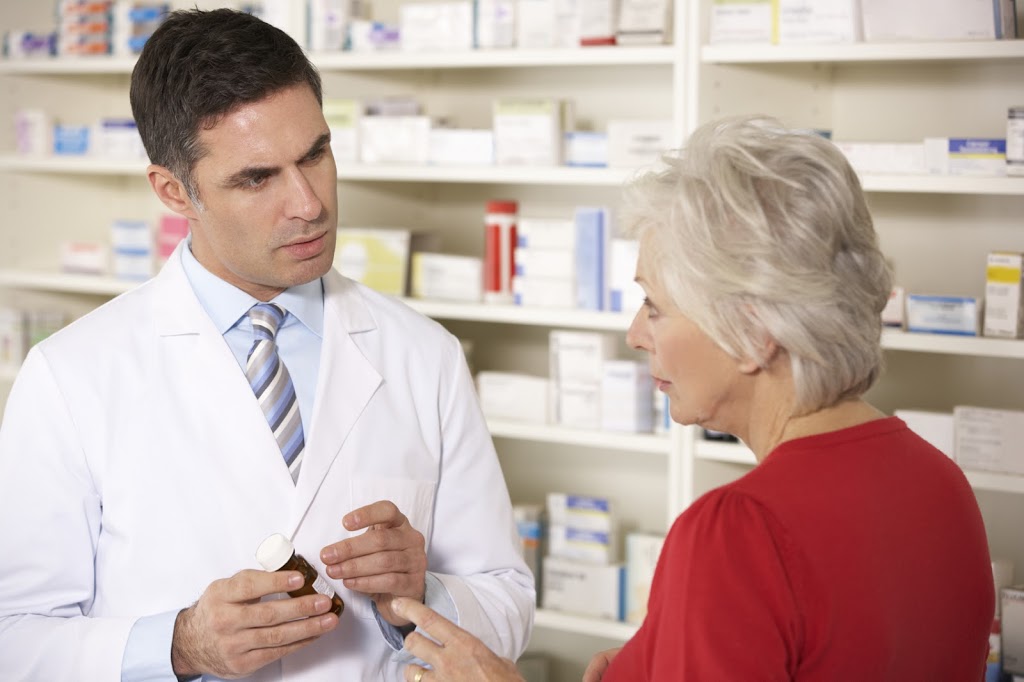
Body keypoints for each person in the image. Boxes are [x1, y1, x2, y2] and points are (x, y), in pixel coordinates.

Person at [0, 9, 533, 681]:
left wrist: (420, 594)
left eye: (315, 155)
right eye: (258, 179)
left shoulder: (424, 356)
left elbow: (506, 600)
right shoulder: (71, 376)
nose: (308, 202)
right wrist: (178, 645)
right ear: (174, 191)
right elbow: (14, 639)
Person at [387, 115, 996, 681]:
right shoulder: (938, 480)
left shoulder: (739, 532)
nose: (634, 334)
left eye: (655, 307)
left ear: (754, 334)